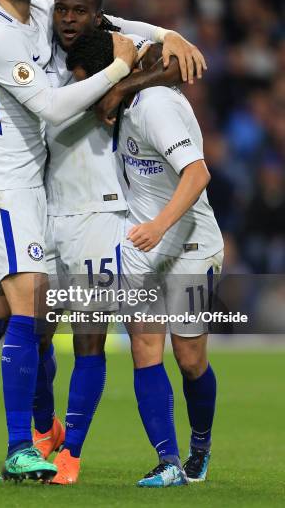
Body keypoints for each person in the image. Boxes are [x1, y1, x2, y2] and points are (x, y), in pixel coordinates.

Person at [0, 0, 206, 484]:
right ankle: (22, 445)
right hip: (6, 187)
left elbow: (113, 22)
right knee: (28, 313)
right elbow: (55, 108)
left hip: (30, 191)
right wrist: (117, 73)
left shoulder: (41, 11)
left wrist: (168, 33)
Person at [66, 29, 224, 488]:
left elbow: (198, 173)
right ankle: (168, 462)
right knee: (143, 347)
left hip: (190, 242)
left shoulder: (155, 106)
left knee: (190, 358)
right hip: (144, 248)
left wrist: (159, 226)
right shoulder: (128, 103)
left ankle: (200, 444)